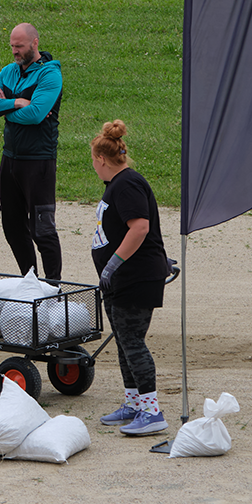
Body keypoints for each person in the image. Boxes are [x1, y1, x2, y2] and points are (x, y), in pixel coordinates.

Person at [88, 120, 172, 436]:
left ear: (101, 160)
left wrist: (112, 265)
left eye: (93, 161)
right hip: (123, 278)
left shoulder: (127, 185)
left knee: (132, 342)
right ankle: (134, 402)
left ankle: (152, 412)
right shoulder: (119, 185)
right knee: (124, 341)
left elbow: (140, 228)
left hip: (134, 278)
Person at [0, 22, 63, 280]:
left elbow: (37, 114)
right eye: (12, 46)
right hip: (11, 161)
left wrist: (4, 109)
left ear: (35, 43)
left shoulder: (50, 75)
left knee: (43, 230)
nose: (15, 52)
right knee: (12, 227)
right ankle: (30, 282)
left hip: (38, 162)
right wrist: (16, 102)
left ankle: (53, 287)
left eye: (20, 46)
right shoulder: (8, 71)